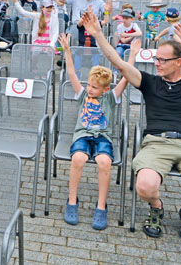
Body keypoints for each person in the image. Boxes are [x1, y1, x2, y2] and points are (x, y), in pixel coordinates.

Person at [81, 9, 181, 243]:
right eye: (156, 59)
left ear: (178, 62)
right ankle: (156, 206)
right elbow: (119, 64)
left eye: (162, 60)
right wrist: (99, 35)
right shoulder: (149, 82)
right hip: (156, 143)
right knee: (145, 186)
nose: (156, 63)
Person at [58, 33, 137, 230]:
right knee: (78, 159)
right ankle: (72, 200)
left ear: (104, 89)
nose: (89, 89)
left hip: (102, 137)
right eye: (89, 85)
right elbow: (71, 74)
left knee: (104, 162)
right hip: (83, 135)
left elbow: (126, 77)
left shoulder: (111, 98)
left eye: (94, 87)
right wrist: (67, 50)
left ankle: (101, 206)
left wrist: (132, 56)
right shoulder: (82, 94)